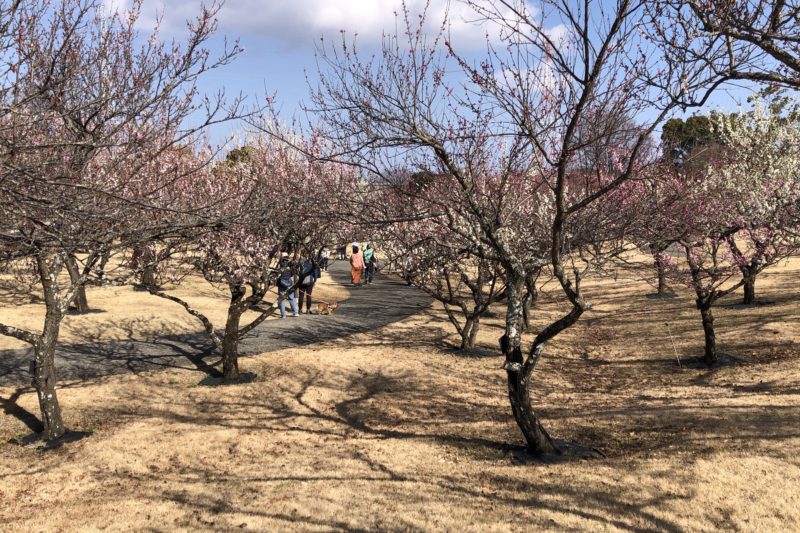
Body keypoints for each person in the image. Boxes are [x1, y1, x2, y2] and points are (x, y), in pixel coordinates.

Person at [277, 252, 299, 318]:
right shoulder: (290, 264)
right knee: (291, 298)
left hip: (281, 284)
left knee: (282, 299)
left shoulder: (279, 264)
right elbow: (293, 273)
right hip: (289, 283)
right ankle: (295, 313)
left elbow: (277, 273)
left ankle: (283, 314)